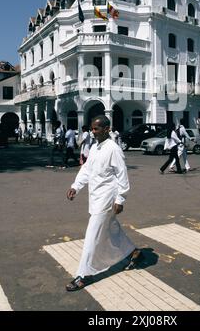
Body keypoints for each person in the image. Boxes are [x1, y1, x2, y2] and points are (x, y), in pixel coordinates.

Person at [65, 115, 142, 291]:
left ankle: (83, 275)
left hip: (107, 199)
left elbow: (122, 176)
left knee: (92, 235)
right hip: (96, 197)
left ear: (107, 129)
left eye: (96, 129)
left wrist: (121, 199)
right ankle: (134, 252)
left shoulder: (113, 149)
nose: (93, 132)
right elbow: (87, 169)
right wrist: (75, 187)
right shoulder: (94, 147)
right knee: (112, 229)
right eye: (92, 129)